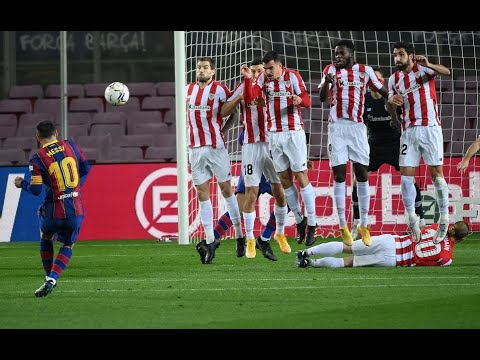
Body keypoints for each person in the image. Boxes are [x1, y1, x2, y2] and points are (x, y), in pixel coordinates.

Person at [241, 50, 318, 248]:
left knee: (301, 175)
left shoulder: (293, 76)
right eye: (265, 68)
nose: (267, 71)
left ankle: (312, 224)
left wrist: (300, 101)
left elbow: (308, 100)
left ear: (279, 66)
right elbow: (250, 98)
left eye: (270, 68)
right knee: (285, 180)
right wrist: (249, 79)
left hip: (293, 134)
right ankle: (300, 219)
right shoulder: (263, 81)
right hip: (274, 136)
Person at [319, 39, 390, 247]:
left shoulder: (365, 71)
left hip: (358, 128)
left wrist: (393, 110)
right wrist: (327, 80)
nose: (337, 57)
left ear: (351, 54)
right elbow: (322, 97)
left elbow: (383, 92)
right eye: (335, 53)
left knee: (362, 174)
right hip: (337, 127)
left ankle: (364, 224)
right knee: (339, 175)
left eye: (341, 53)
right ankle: (343, 225)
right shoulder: (330, 70)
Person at [14, 120, 90, 297]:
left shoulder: (37, 159)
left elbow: (35, 189)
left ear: (37, 138)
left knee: (46, 235)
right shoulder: (72, 146)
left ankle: (48, 276)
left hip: (53, 212)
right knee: (68, 244)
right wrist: (74, 189)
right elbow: (86, 168)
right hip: (75, 210)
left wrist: (21, 184)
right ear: (56, 132)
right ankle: (53, 279)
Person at [387, 41, 451, 244]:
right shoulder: (393, 79)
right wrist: (391, 104)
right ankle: (412, 220)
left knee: (436, 174)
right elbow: (391, 108)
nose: (397, 58)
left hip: (430, 128)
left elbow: (446, 72)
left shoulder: (424, 70)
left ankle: (444, 219)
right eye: (395, 55)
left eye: (401, 55)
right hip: (408, 132)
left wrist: (430, 64)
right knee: (406, 178)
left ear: (411, 56)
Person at [350, 68, 425, 239]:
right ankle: (357, 222)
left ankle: (419, 218)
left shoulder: (392, 99)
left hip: (395, 145)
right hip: (373, 147)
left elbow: (404, 118)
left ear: (381, 81)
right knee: (356, 180)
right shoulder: (363, 101)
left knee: (410, 179)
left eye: (377, 79)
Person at [186, 56, 244, 264]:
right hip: (195, 149)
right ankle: (210, 241)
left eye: (205, 68)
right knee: (202, 193)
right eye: (199, 67)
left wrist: (223, 131)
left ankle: (239, 234)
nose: (201, 70)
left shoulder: (220, 90)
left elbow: (233, 113)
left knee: (227, 190)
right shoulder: (188, 90)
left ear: (213, 72)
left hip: (215, 148)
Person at [295, 221, 470, 268]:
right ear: (461, 239)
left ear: (452, 227)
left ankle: (306, 253)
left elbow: (420, 231)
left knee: (346, 246)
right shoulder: (447, 260)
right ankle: (311, 263)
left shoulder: (434, 228)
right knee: (348, 261)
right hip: (395, 260)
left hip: (392, 241)